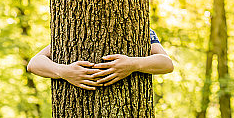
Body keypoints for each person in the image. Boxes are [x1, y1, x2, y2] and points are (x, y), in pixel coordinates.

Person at [27, 28, 174, 88]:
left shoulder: (139, 29)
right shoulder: (73, 30)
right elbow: (34, 63)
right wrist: (63, 71)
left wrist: (133, 64)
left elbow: (166, 63)